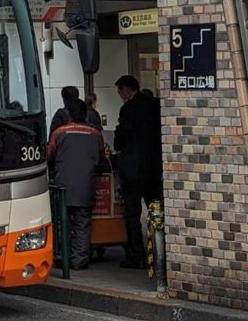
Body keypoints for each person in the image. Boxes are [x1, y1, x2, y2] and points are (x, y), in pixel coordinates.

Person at [47, 99, 105, 270]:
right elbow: (102, 157)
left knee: (61, 223)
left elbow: (49, 157)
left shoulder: (59, 133)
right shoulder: (96, 134)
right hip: (86, 186)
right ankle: (79, 261)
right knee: (82, 224)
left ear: (69, 115)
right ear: (85, 115)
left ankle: (62, 259)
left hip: (62, 187)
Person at [111, 75, 162, 269]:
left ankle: (137, 255)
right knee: (156, 212)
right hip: (153, 169)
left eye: (120, 91)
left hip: (132, 171)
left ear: (126, 90)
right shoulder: (154, 105)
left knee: (132, 214)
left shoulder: (128, 109)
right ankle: (162, 252)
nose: (120, 95)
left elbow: (120, 138)